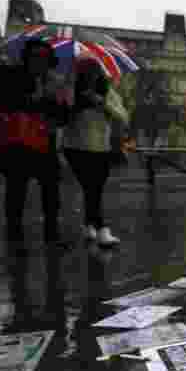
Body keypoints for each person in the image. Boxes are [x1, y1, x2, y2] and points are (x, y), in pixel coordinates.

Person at [0, 38, 70, 250]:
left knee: (51, 193)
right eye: (35, 56)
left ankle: (52, 237)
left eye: (44, 57)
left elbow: (62, 117)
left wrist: (58, 101)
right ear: (26, 57)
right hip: (18, 142)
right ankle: (15, 239)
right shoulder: (10, 74)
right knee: (16, 192)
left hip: (45, 143)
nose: (39, 61)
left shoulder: (53, 81)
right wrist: (34, 99)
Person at [62, 57, 130, 247]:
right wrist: (74, 103)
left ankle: (89, 225)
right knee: (92, 188)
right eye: (86, 73)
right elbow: (61, 116)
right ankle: (101, 230)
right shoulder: (71, 91)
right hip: (75, 147)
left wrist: (102, 103)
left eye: (94, 72)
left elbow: (123, 116)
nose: (91, 76)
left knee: (93, 189)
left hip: (101, 147)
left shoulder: (107, 92)